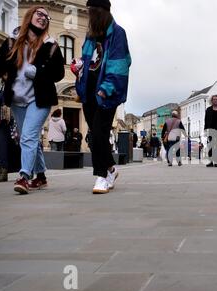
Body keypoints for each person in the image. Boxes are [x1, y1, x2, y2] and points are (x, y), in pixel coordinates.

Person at [0, 6, 65, 194]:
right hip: (17, 100)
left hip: (40, 99)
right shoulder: (12, 42)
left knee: (27, 136)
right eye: (39, 14)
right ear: (30, 16)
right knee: (29, 139)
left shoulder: (50, 45)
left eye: (46, 17)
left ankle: (24, 176)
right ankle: (41, 176)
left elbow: (59, 73)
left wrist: (39, 73)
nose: (43, 18)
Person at [74, 0, 131, 194]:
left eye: (93, 12)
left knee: (99, 133)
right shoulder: (91, 36)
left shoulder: (117, 34)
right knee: (96, 136)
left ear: (102, 12)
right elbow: (86, 60)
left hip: (106, 94)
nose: (90, 16)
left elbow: (120, 64)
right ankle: (111, 169)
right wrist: (78, 68)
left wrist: (105, 89)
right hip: (88, 92)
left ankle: (101, 176)